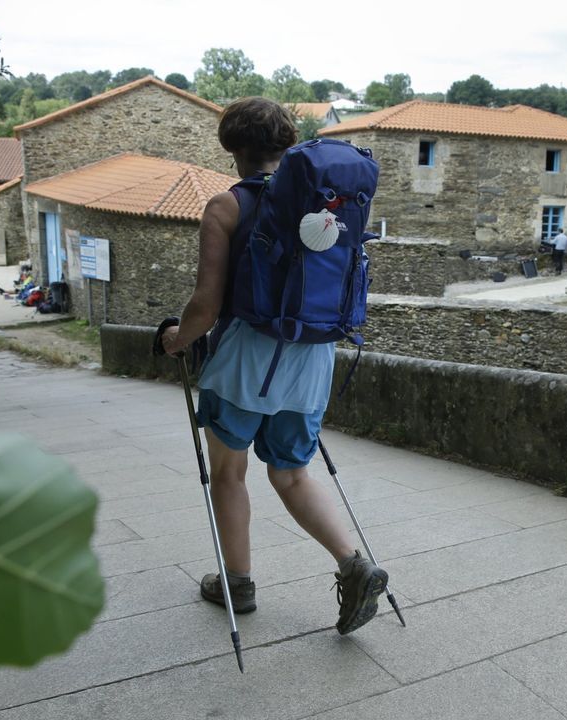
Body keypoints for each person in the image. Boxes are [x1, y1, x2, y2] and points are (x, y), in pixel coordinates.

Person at [159, 97, 388, 635]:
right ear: (289, 143)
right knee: (290, 473)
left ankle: (236, 582)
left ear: (233, 147)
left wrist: (176, 340)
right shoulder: (326, 202)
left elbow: (206, 306)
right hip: (312, 358)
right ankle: (354, 564)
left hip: (244, 360)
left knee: (229, 471)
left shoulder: (226, 206)